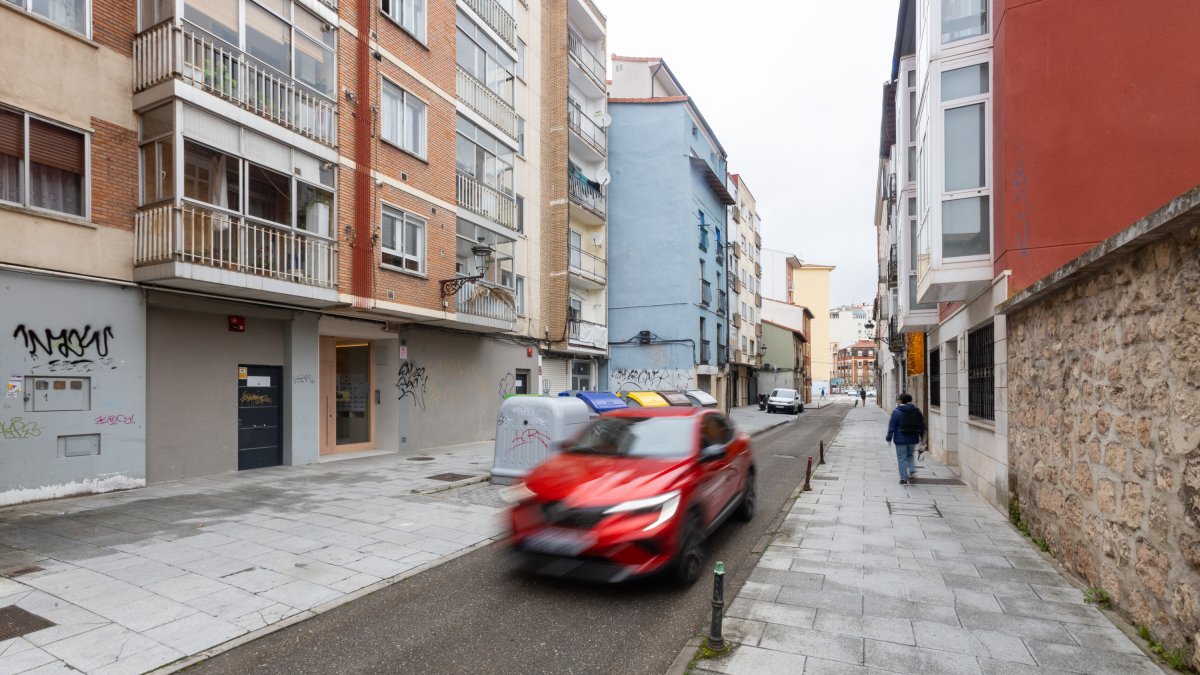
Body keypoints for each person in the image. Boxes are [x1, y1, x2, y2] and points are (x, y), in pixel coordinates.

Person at [886, 393, 925, 485]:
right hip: (913, 438)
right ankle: (912, 470)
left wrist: (889, 438)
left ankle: (903, 478)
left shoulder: (897, 411)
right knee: (910, 455)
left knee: (902, 458)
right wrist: (922, 437)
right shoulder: (916, 410)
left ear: (900, 401)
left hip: (900, 439)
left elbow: (892, 426)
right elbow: (921, 424)